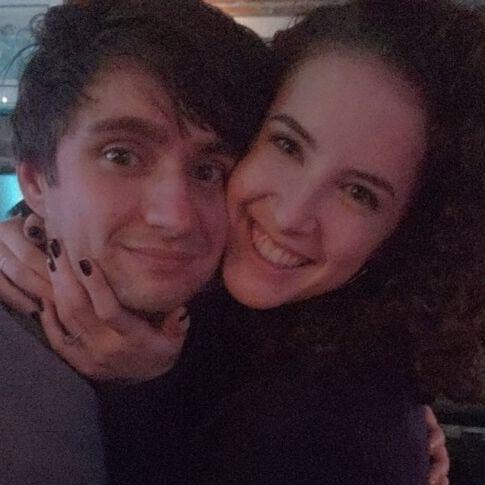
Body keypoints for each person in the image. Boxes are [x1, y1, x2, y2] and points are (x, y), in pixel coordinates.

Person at [0, 0, 468, 483]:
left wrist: (141, 389)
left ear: (404, 231)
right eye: (287, 144)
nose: (289, 217)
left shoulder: (336, 423)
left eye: (359, 193)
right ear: (34, 180)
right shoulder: (222, 313)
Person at [0, 0, 275, 482]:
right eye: (121, 156)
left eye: (209, 171)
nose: (175, 218)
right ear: (37, 180)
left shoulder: (268, 352)